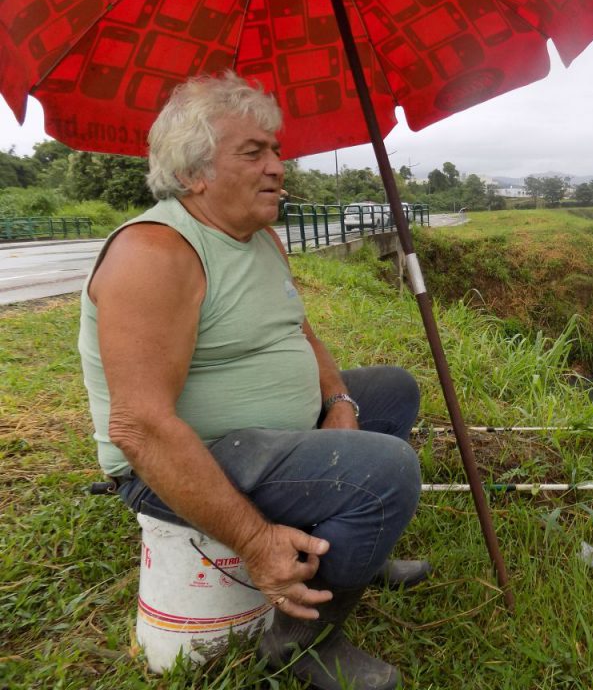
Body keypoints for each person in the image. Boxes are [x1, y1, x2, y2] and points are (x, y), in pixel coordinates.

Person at [78, 72, 424, 690]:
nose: (277, 167)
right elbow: (142, 428)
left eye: (277, 150)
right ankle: (302, 645)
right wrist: (257, 540)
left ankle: (355, 552)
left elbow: (301, 333)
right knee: (385, 468)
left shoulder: (260, 237)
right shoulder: (157, 255)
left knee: (394, 390)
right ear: (194, 174)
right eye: (253, 152)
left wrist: (339, 399)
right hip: (182, 458)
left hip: (264, 434)